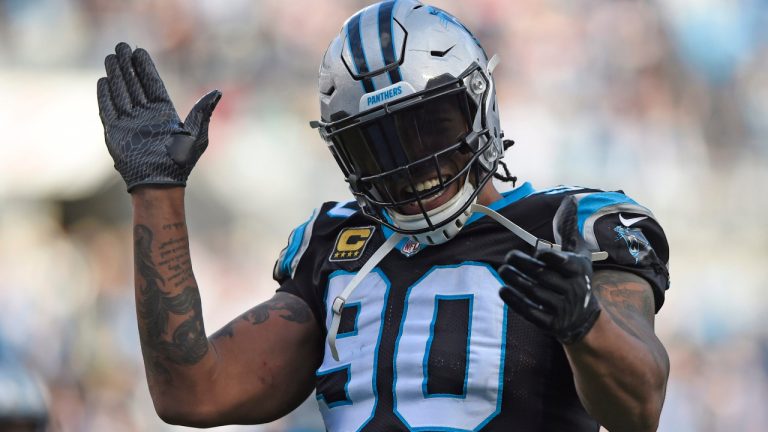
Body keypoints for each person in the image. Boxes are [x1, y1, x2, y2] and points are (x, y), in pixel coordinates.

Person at [96, 1, 670, 430]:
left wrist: (585, 323)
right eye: (378, 144)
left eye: (430, 128)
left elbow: (639, 411)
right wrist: (156, 192)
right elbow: (193, 393)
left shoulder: (573, 224)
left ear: (479, 104)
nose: (411, 162)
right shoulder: (335, 244)